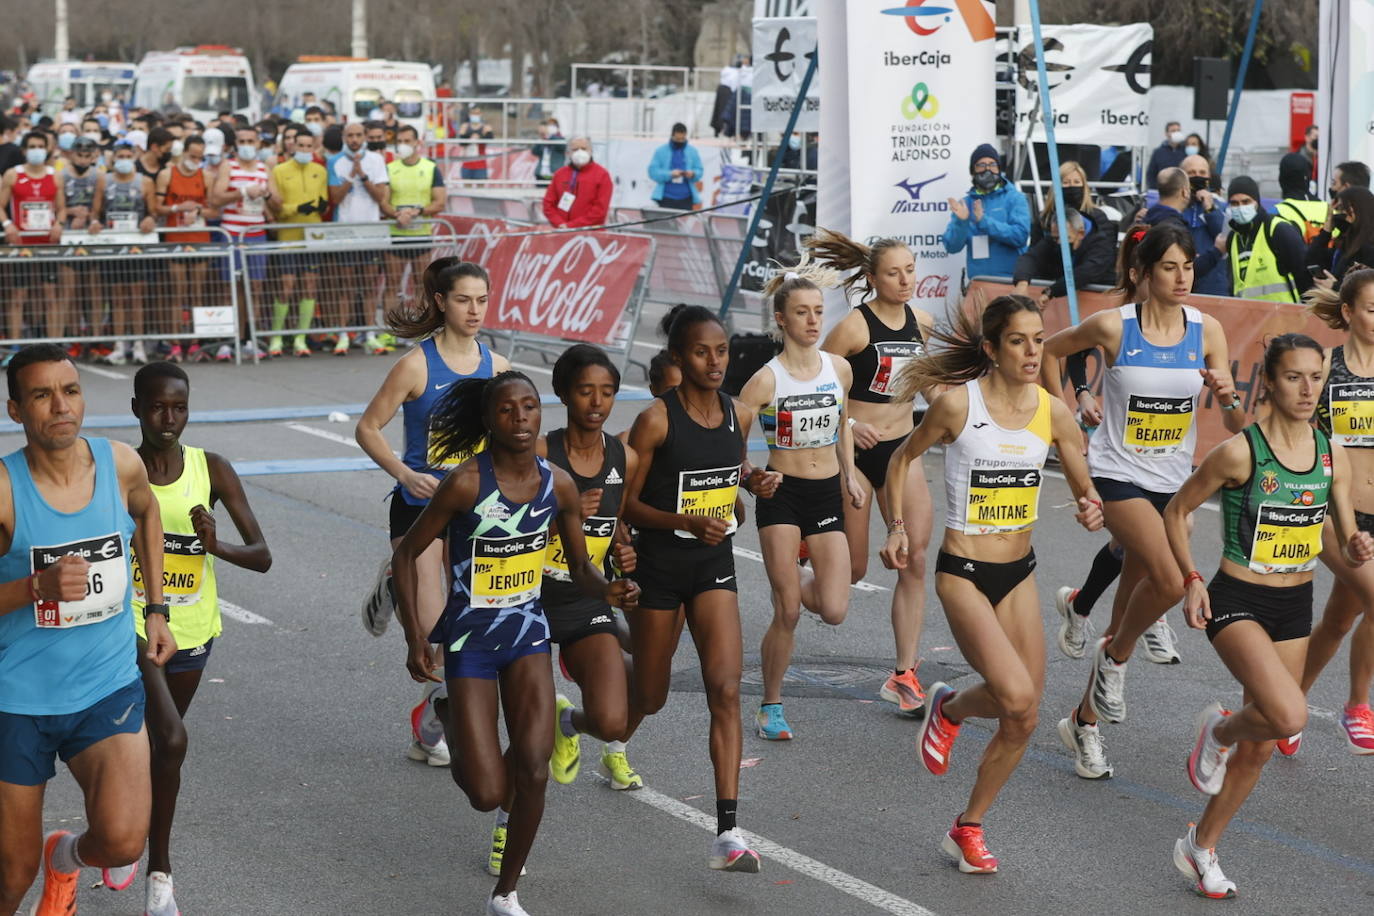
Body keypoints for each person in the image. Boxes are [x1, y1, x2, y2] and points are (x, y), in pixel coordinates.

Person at [394, 371, 637, 916]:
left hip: (529, 635)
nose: (521, 419)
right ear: (489, 420)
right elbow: (408, 555)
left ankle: (505, 894)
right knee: (484, 791)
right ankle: (448, 714)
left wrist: (612, 590)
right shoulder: (464, 484)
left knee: (531, 767)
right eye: (507, 410)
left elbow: (578, 566)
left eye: (529, 408)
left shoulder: (559, 485)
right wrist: (415, 636)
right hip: (471, 643)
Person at [882, 296, 1103, 874]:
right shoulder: (959, 406)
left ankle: (968, 825)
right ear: (991, 349)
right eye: (1018, 341)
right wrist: (898, 526)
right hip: (965, 573)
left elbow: (1081, 476)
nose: (1033, 351)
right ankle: (951, 706)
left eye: (1038, 339)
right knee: (1018, 695)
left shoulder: (1052, 412)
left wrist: (1090, 503)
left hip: (1019, 572)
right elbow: (900, 462)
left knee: (1024, 717)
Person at [1163, 334, 1373, 898]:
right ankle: (1218, 728)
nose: (1307, 389)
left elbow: (1346, 529)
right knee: (1287, 715)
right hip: (1236, 599)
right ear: (1270, 383)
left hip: (1294, 604)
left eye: (1315, 377)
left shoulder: (1332, 453)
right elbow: (1177, 508)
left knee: (1259, 747)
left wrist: (1355, 547)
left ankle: (1200, 846)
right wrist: (1190, 579)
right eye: (1293, 377)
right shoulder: (1240, 452)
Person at [1045, 221, 1246, 780]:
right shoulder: (1114, 325)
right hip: (1115, 475)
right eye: (1169, 267)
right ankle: (1112, 661)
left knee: (1128, 609)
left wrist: (1228, 397)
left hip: (1171, 482)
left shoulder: (1207, 331)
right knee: (1167, 577)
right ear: (1145, 272)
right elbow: (1050, 351)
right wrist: (1065, 413)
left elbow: (1234, 423)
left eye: (1188, 267)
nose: (1182, 277)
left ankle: (1083, 722)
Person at [0, 343, 175, 915]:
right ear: (16, 411)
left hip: (104, 685)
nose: (60, 406)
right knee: (11, 874)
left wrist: (156, 609)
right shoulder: (4, 491)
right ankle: (36, 866)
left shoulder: (121, 463)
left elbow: (148, 511)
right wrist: (34, 589)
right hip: (16, 699)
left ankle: (66, 857)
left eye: (70, 391)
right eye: (42, 395)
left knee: (124, 840)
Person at [622, 304, 774, 873]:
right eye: (702, 352)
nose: (715, 362)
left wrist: (754, 480)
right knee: (650, 697)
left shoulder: (739, 413)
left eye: (722, 351)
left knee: (726, 689)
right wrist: (683, 521)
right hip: (659, 568)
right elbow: (627, 503)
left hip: (713, 563)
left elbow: (729, 475)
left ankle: (728, 832)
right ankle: (583, 718)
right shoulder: (656, 421)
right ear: (679, 359)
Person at [126, 361, 271, 916]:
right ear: (138, 408)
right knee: (172, 739)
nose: (169, 418)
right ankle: (159, 871)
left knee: (155, 748)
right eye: (159, 406)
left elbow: (261, 556)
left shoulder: (210, 469)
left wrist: (216, 545)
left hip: (193, 630)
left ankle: (130, 834)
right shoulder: (120, 469)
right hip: (134, 624)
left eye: (179, 407)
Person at [355, 259, 509, 769]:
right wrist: (404, 473)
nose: (474, 310)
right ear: (442, 301)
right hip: (420, 506)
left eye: (482, 300)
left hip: (475, 511)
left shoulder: (497, 368)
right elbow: (368, 428)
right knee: (432, 622)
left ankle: (431, 720)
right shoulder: (416, 365)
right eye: (464, 299)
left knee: (468, 626)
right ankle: (400, 584)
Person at [737, 265, 864, 739]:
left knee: (834, 609)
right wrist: (751, 479)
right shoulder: (765, 381)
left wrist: (850, 478)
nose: (813, 321)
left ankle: (799, 574)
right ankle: (771, 704)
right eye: (802, 313)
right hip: (784, 496)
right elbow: (735, 443)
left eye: (817, 312)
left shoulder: (840, 369)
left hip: (826, 490)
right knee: (788, 610)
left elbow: (843, 425)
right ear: (782, 320)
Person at [815, 230, 936, 713]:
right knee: (855, 571)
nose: (905, 279)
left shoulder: (923, 323)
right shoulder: (853, 329)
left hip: (903, 452)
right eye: (893, 272)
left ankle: (904, 674)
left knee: (915, 559)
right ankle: (809, 576)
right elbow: (818, 386)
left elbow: (930, 388)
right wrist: (851, 422)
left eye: (910, 269)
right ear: (872, 278)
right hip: (858, 455)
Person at [539, 345, 644, 796]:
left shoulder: (626, 458)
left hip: (588, 595)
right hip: (528, 595)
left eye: (607, 393)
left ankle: (569, 721)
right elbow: (496, 523)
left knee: (609, 721)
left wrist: (627, 549)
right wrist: (559, 515)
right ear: (564, 394)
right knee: (527, 730)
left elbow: (619, 524)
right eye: (586, 392)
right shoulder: (542, 451)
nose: (597, 403)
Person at [1296, 270, 1374, 755]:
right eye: (1372, 309)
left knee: (1340, 621)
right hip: (1333, 515)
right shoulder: (1323, 366)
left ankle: (1286, 702)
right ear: (1347, 313)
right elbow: (1280, 426)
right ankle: (1358, 707)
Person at [210, 127, 276, 359]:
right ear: (236, 144)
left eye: (251, 140)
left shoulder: (264, 168)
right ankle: (230, 339)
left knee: (255, 288)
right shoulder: (228, 166)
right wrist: (243, 192)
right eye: (242, 141)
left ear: (258, 143)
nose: (247, 144)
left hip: (256, 234)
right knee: (231, 289)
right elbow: (216, 198)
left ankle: (250, 337)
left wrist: (267, 195)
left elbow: (278, 201)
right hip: (232, 233)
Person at [328, 121, 389, 352]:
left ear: (364, 137)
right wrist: (351, 175)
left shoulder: (376, 160)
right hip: (345, 232)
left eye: (358, 135)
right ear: (344, 136)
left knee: (370, 285)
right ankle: (344, 334)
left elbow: (380, 196)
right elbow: (336, 197)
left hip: (371, 232)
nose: (354, 139)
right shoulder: (335, 161)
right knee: (346, 285)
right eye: (350, 135)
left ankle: (370, 333)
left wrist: (363, 176)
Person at [95, 142, 158, 365]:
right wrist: (94, 222)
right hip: (114, 246)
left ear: (134, 157)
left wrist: (151, 219)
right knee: (117, 299)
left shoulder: (145, 181)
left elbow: (154, 212)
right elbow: (97, 212)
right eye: (119, 155)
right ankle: (119, 345)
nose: (123, 159)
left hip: (136, 246)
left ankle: (139, 345)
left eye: (127, 155)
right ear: (113, 159)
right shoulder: (105, 180)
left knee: (136, 298)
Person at [267, 127, 328, 358]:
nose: (304, 149)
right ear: (291, 146)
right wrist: (296, 208)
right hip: (288, 237)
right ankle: (277, 336)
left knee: (310, 287)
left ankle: (301, 338)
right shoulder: (280, 170)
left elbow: (324, 200)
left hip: (313, 236)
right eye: (300, 145)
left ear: (314, 147)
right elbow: (277, 208)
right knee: (286, 286)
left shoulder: (320, 170)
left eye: (308, 146)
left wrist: (321, 206)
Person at [1, 131, 65, 345]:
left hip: (47, 243)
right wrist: (8, 225)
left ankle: (54, 345)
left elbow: (62, 209)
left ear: (47, 149)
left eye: (40, 145)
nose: (37, 150)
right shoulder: (13, 174)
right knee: (18, 295)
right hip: (21, 244)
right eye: (32, 146)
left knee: (50, 295)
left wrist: (59, 223)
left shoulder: (54, 175)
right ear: (24, 150)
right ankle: (14, 347)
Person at [156, 133, 213, 361]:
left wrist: (198, 211)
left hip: (200, 239)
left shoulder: (206, 176)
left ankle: (196, 342)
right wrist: (177, 208)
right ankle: (175, 344)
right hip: (175, 239)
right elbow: (157, 207)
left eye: (199, 157)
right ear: (183, 152)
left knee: (197, 293)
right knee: (177, 292)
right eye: (192, 156)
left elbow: (214, 211)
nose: (195, 161)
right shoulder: (167, 174)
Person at [382, 123, 446, 320]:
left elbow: (440, 202)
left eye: (406, 141)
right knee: (392, 283)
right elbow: (383, 201)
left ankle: (421, 329)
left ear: (417, 143)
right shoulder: (390, 168)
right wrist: (396, 214)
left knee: (422, 284)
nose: (402, 145)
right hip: (396, 234)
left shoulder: (430, 168)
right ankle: (390, 329)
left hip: (421, 235)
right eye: (399, 142)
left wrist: (417, 212)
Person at [942, 143, 1030, 280]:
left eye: (992, 164)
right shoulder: (965, 204)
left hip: (1011, 282)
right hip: (979, 283)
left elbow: (1020, 237)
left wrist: (984, 222)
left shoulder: (1015, 198)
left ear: (999, 169)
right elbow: (952, 247)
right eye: (981, 165)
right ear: (973, 171)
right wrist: (962, 222)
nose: (987, 169)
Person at [1226, 175, 1312, 303]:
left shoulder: (1278, 230)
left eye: (1246, 202)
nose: (1240, 207)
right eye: (1234, 203)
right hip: (1248, 319)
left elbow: (1304, 275)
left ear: (1257, 202)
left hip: (1286, 317)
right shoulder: (1233, 239)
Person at [1012, 208, 1116, 302]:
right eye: (1056, 238)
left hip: (1102, 301)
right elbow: (1031, 258)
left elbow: (1085, 272)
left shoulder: (1102, 245)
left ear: (1081, 233)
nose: (1060, 243)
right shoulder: (1054, 239)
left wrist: (1051, 292)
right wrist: (1022, 283)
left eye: (1066, 238)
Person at [1177, 156, 1230, 295]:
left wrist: (1210, 208)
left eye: (1202, 173)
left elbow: (1225, 237)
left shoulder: (1222, 207)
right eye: (1192, 173)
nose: (1198, 176)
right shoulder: (1175, 206)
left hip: (1214, 286)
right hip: (1180, 284)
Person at [540, 136, 612, 229]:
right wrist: (560, 223)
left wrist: (572, 226)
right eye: (575, 149)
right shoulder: (560, 174)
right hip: (561, 233)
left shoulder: (602, 175)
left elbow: (600, 211)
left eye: (584, 149)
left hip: (591, 234)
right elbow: (548, 204)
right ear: (568, 153)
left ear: (591, 151)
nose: (580, 152)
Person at [1309, 187, 1374, 287]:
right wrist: (1327, 229)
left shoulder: (1368, 248)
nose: (1339, 214)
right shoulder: (1345, 244)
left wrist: (1334, 286)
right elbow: (1311, 258)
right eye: (1337, 209)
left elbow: (1366, 290)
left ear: (1356, 210)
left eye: (1342, 209)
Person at [648, 123, 702, 213]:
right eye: (677, 139)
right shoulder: (660, 151)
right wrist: (670, 174)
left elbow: (699, 170)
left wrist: (693, 174)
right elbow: (653, 172)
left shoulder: (692, 151)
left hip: (686, 197)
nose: (680, 142)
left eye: (682, 139)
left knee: (685, 225)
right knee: (665, 225)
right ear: (672, 136)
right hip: (666, 197)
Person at [457, 105, 496, 182]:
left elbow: (490, 139)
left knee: (480, 188)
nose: (475, 115)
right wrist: (470, 138)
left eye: (477, 113)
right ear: (469, 114)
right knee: (467, 187)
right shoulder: (465, 127)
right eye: (473, 113)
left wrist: (480, 138)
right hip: (467, 163)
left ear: (480, 114)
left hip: (480, 164)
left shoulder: (485, 127)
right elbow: (461, 143)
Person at [1145, 122, 1187, 189]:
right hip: (1163, 189)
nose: (1176, 133)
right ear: (1166, 134)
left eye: (1178, 130)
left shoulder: (1186, 150)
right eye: (1173, 131)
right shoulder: (1158, 152)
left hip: (1182, 188)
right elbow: (1151, 174)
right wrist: (1155, 188)